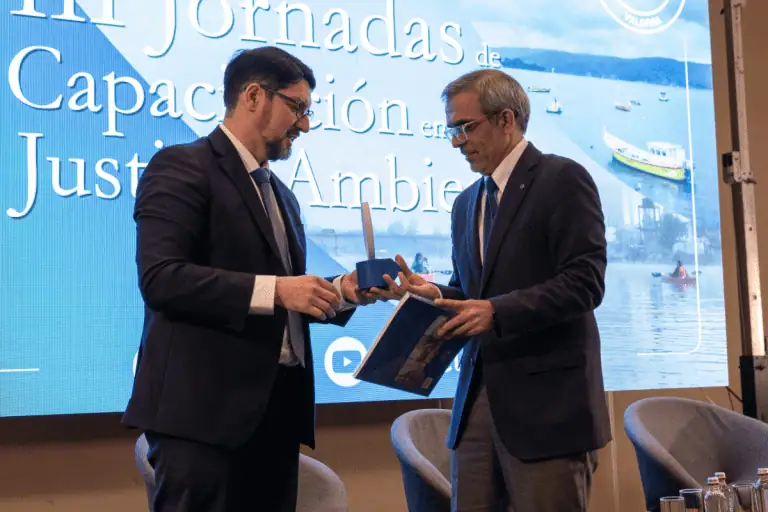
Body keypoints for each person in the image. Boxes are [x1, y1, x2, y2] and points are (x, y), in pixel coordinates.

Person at [122, 46, 371, 512]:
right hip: (202, 419)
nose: (305, 125)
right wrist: (278, 290)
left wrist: (343, 292)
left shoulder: (282, 195)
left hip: (276, 418)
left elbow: (286, 299)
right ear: (254, 96)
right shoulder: (181, 165)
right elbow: (161, 278)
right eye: (297, 107)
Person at [371, 69, 611, 511]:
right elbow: (473, 292)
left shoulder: (562, 178)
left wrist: (497, 312)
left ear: (506, 119)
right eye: (451, 130)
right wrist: (435, 295)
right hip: (475, 405)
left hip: (547, 410)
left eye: (465, 127)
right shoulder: (466, 203)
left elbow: (585, 282)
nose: (457, 142)